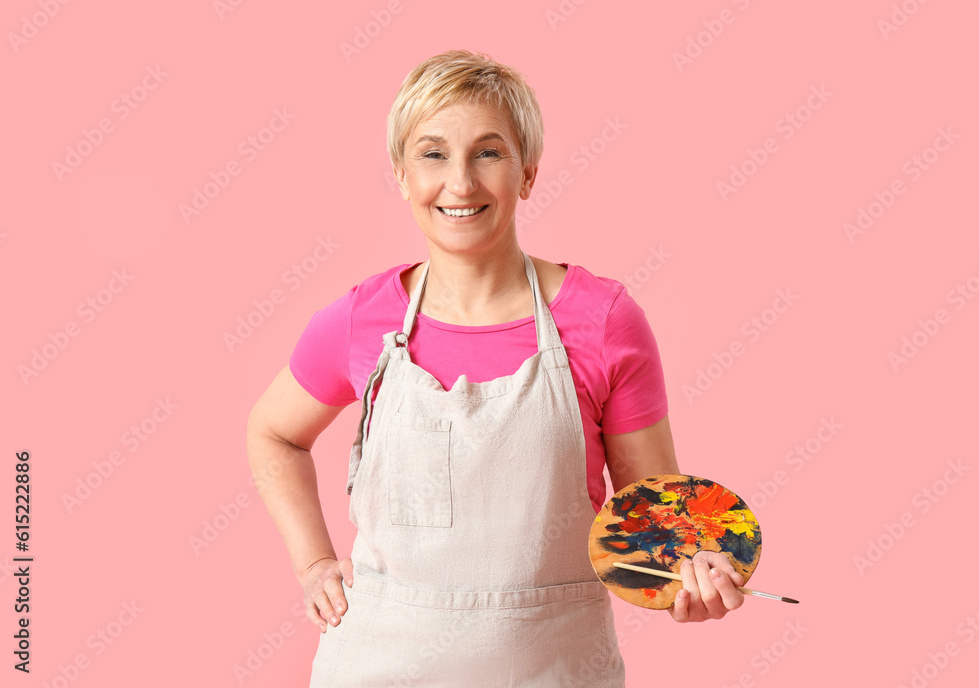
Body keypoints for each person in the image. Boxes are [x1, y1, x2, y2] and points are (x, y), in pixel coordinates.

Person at [246, 49, 746, 687]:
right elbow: (274, 434)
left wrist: (689, 572)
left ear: (528, 172)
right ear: (400, 174)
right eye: (432, 154)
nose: (460, 182)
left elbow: (655, 516)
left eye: (488, 152)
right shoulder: (360, 320)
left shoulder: (603, 320)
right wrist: (313, 562)